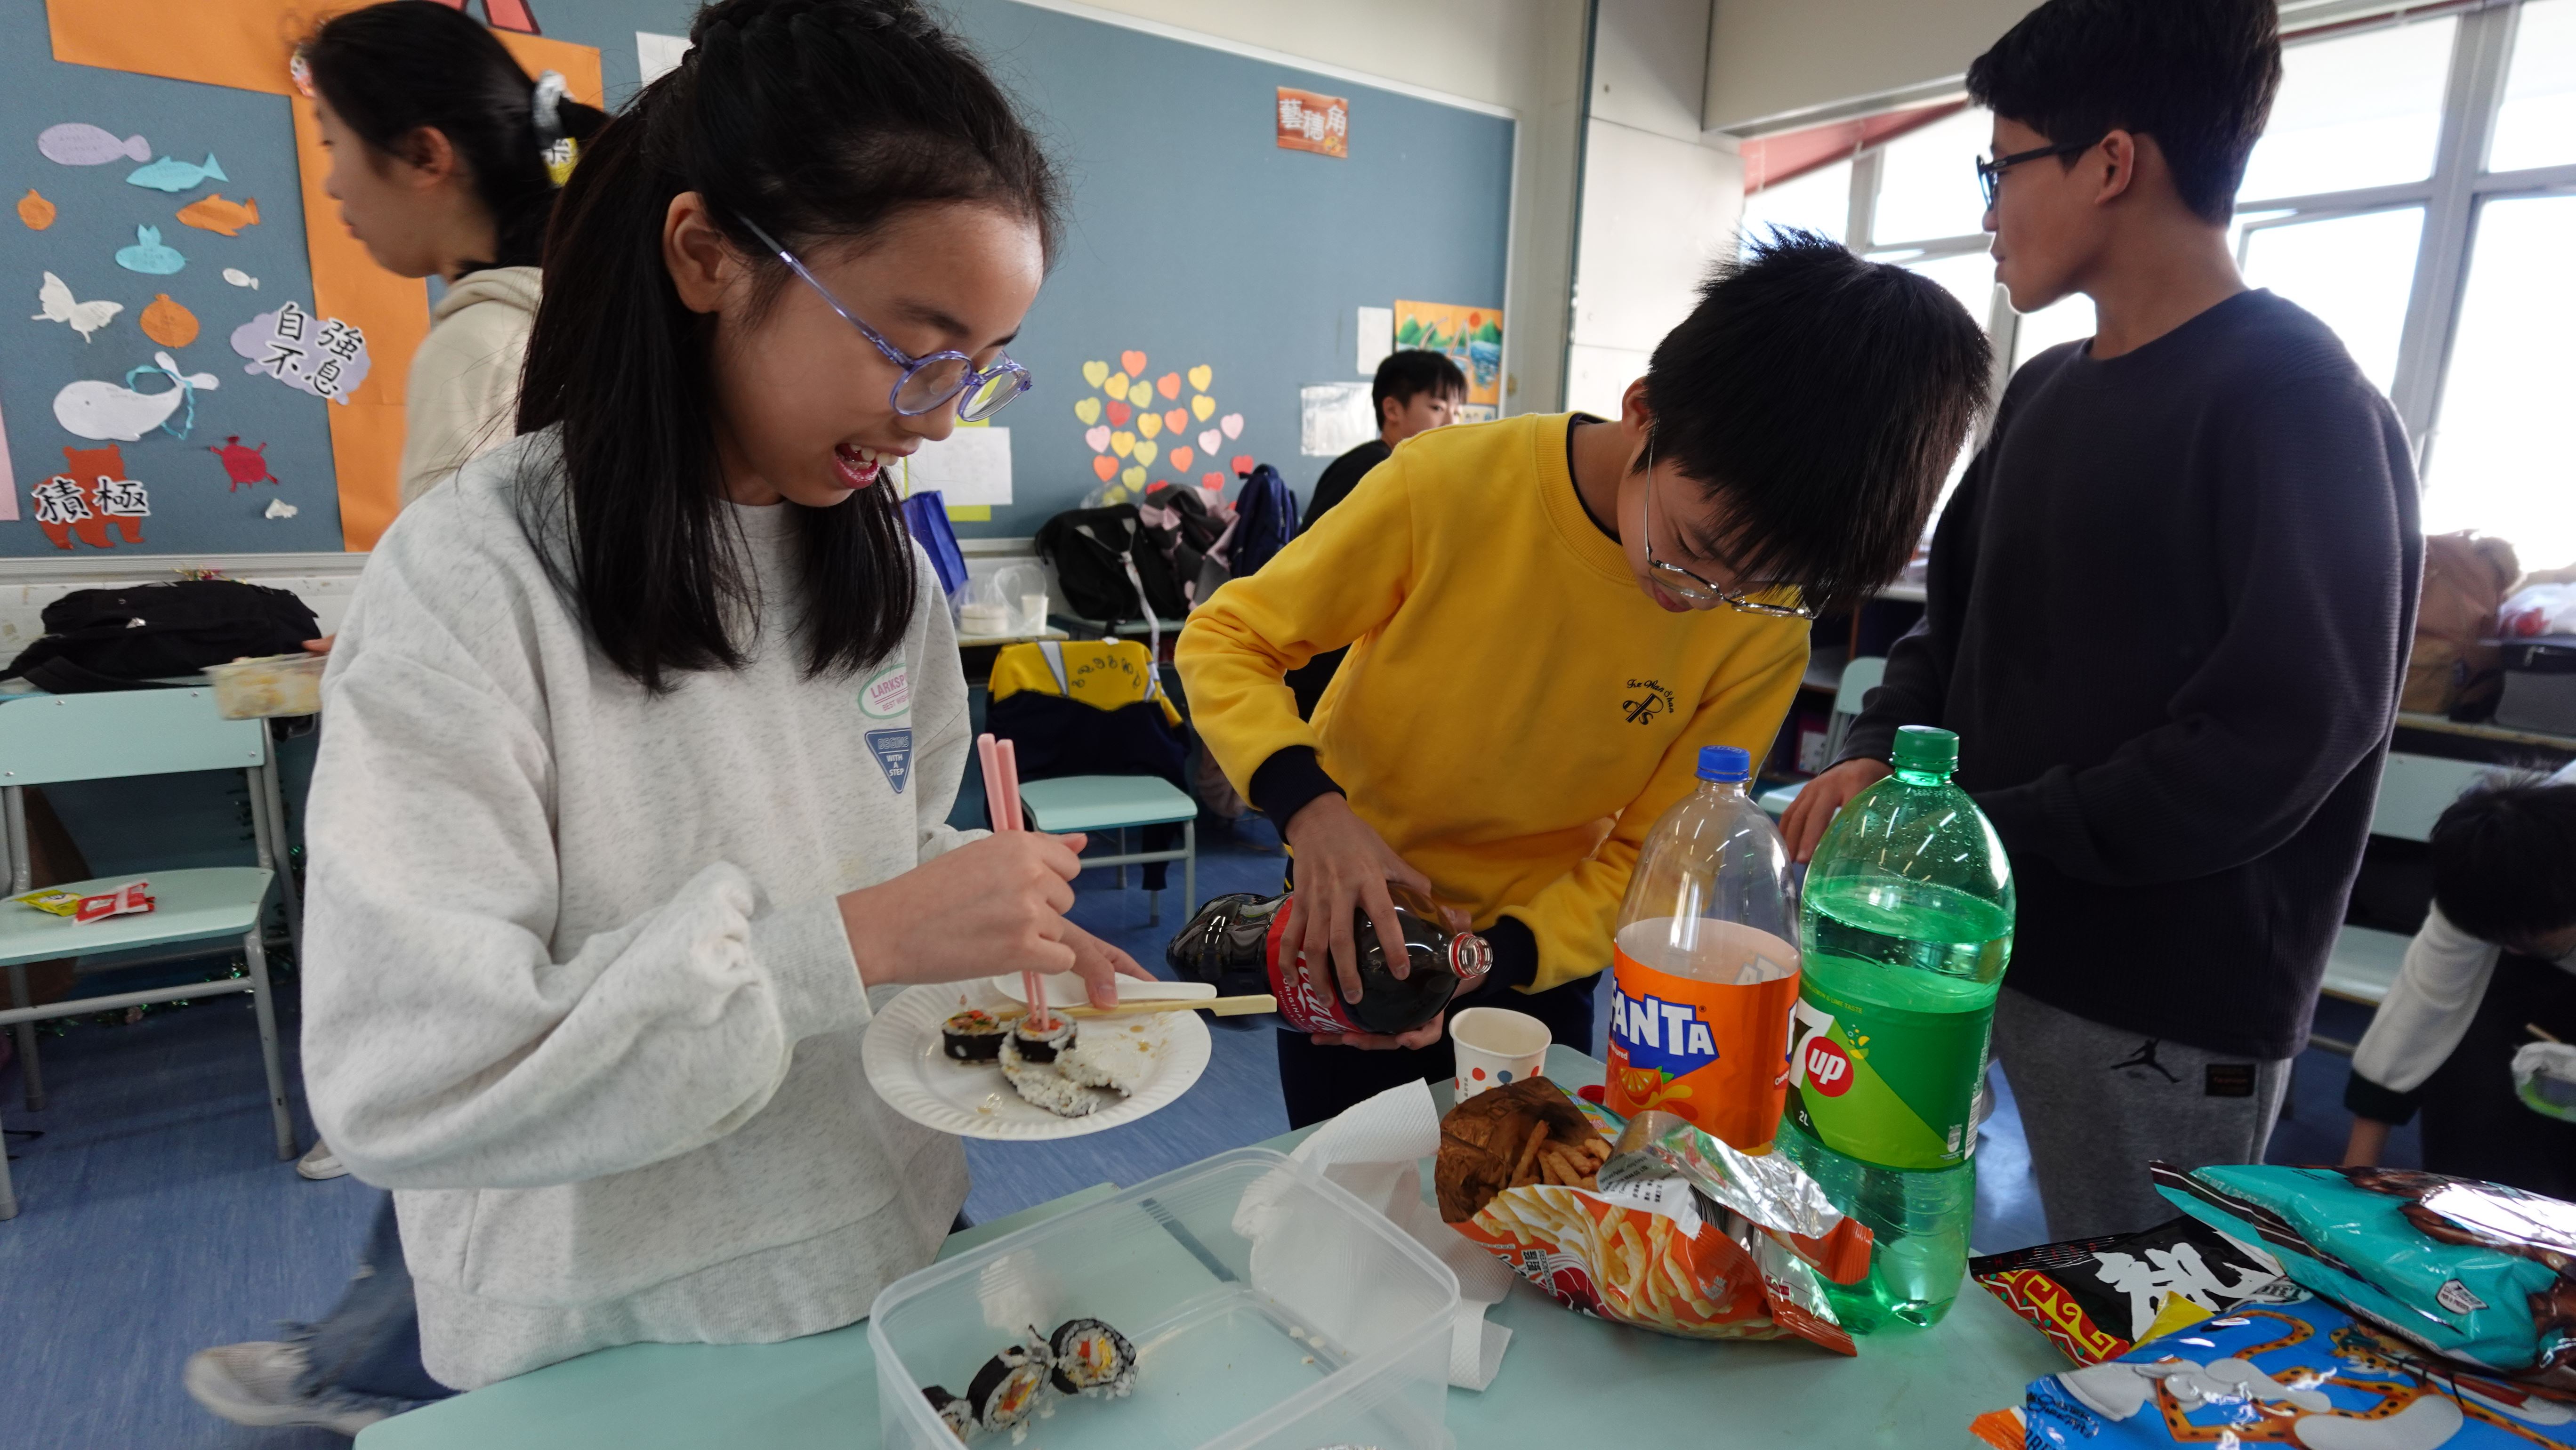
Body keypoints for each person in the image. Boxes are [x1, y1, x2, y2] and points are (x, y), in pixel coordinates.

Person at [208, 0, 1143, 1429]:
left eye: (984, 363)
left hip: (881, 1238)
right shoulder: (473, 577)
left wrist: (977, 921)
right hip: (606, 1325)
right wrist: (864, 940)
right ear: (707, 255)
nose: (941, 417)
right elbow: (408, 1077)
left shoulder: (881, 570)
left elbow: (881, 849)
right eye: (914, 347)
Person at [1782, 0, 2422, 1240]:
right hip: (1965, 948)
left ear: (2112, 162)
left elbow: (2281, 737)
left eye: (2002, 167)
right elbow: (1945, 636)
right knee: (1884, 1248)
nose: (1989, 211)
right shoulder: (2042, 392)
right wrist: (1876, 753)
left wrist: (1979, 831)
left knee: (2134, 1315)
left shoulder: (2299, 400)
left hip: (2161, 1000)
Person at [1178, 231, 1992, 1129]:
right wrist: (1312, 813)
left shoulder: (1766, 627)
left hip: (1540, 952)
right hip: (1352, 911)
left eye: (1753, 586)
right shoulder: (1451, 485)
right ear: (1644, 413)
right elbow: (1228, 638)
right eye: (1691, 550)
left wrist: (1499, 958)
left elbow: (1650, 852)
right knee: (1341, 1169)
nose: (1702, 599)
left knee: (1528, 1192)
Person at [2344, 766, 2576, 1198]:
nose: (2515, 950)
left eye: (2528, 940)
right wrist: (2349, 1184)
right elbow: (2417, 1011)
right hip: (2532, 948)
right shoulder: (2489, 868)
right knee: (2476, 1132)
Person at [1286, 349, 1467, 717]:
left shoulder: (1405, 470)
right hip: (1326, 668)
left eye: (1459, 411)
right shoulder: (1370, 469)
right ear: (1393, 410)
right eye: (1437, 407)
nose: (1452, 421)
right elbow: (1324, 567)